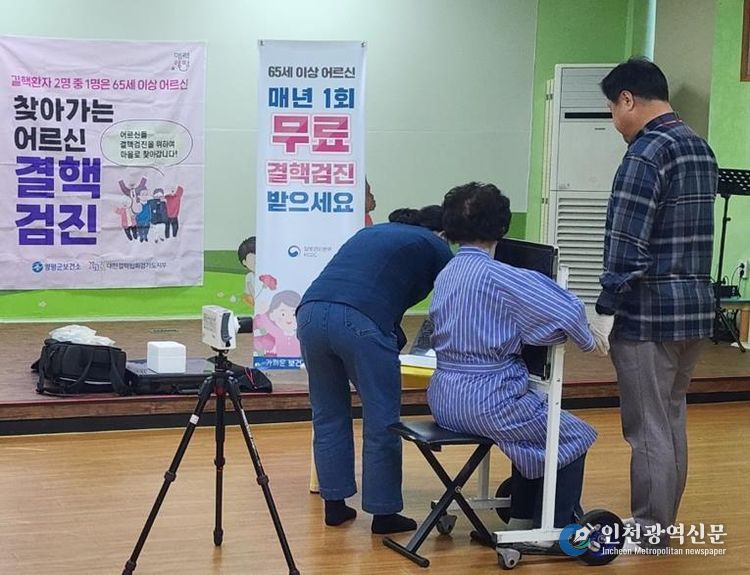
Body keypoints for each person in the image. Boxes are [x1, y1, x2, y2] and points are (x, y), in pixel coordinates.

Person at [590, 58, 717, 549]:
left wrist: (606, 306)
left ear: (627, 99)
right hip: (694, 310)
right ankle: (663, 524)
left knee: (647, 427)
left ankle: (649, 530)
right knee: (671, 417)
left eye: (611, 109)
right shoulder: (699, 147)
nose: (613, 120)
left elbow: (627, 243)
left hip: (648, 313)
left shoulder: (645, 153)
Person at [427, 182, 597, 530]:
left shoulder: (447, 273)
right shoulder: (500, 276)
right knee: (572, 434)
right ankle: (553, 529)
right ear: (502, 227)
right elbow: (568, 312)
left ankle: (520, 517)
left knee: (534, 425)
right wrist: (589, 341)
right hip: (488, 402)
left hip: (444, 398)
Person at [296, 207, 453, 534]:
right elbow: (460, 294)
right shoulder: (435, 244)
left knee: (328, 414)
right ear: (442, 232)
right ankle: (384, 513)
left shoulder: (371, 232)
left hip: (310, 314)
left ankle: (335, 505)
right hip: (360, 320)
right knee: (382, 418)